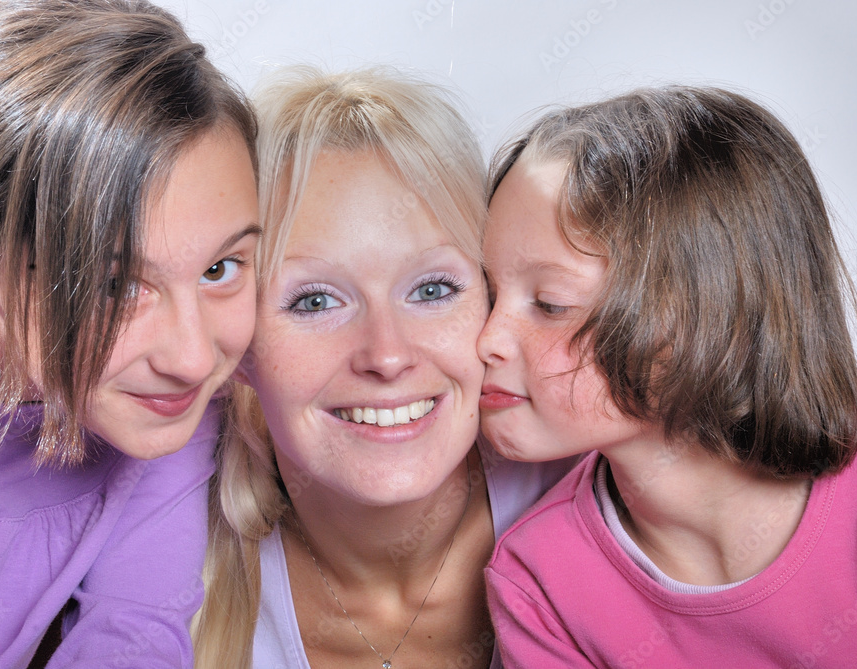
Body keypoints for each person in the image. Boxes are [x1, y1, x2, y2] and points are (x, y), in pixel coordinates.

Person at [0, 0, 259, 665]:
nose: (193, 358)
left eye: (220, 267)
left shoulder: (168, 397)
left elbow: (133, 636)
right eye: (114, 284)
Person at [192, 66, 574, 668]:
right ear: (238, 343)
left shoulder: (605, 496)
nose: (388, 356)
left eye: (432, 290)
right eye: (314, 301)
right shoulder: (168, 577)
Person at [479, 85, 857, 667]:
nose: (484, 340)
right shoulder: (537, 582)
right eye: (486, 294)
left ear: (712, 312)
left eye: (550, 303)